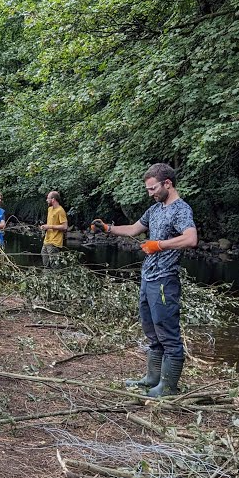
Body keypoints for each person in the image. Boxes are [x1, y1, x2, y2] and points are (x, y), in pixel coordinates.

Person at [91, 163, 198, 397]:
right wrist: (107, 227)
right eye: (148, 189)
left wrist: (158, 245)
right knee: (151, 331)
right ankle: (152, 379)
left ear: (167, 184)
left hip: (165, 280)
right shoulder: (155, 209)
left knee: (167, 333)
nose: (150, 193)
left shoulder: (181, 209)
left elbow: (191, 238)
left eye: (153, 188)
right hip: (147, 278)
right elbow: (133, 229)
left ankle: (168, 387)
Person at [40, 191, 68, 268]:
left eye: (48, 198)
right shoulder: (49, 209)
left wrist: (49, 226)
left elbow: (65, 227)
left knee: (55, 267)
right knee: (46, 266)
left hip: (55, 243)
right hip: (46, 241)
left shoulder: (60, 210)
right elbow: (50, 224)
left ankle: (56, 278)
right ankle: (46, 279)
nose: (46, 200)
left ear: (53, 199)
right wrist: (45, 226)